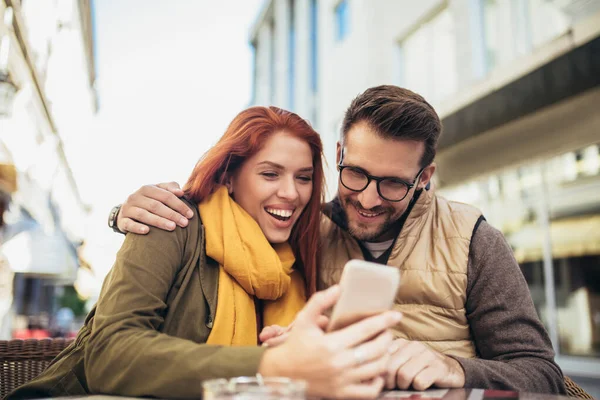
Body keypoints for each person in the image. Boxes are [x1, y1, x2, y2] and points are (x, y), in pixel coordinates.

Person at [114, 86, 567, 394]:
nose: (368, 199)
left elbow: (542, 373)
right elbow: (230, 216)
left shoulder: (474, 239)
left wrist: (455, 368)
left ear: (425, 177)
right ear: (338, 155)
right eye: (355, 174)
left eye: (392, 183)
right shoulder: (306, 230)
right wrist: (123, 214)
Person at [9, 106, 402, 400]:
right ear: (229, 176)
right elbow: (109, 352)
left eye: (304, 177)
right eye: (270, 174)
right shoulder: (172, 220)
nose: (291, 193)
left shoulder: (300, 253)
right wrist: (272, 367)